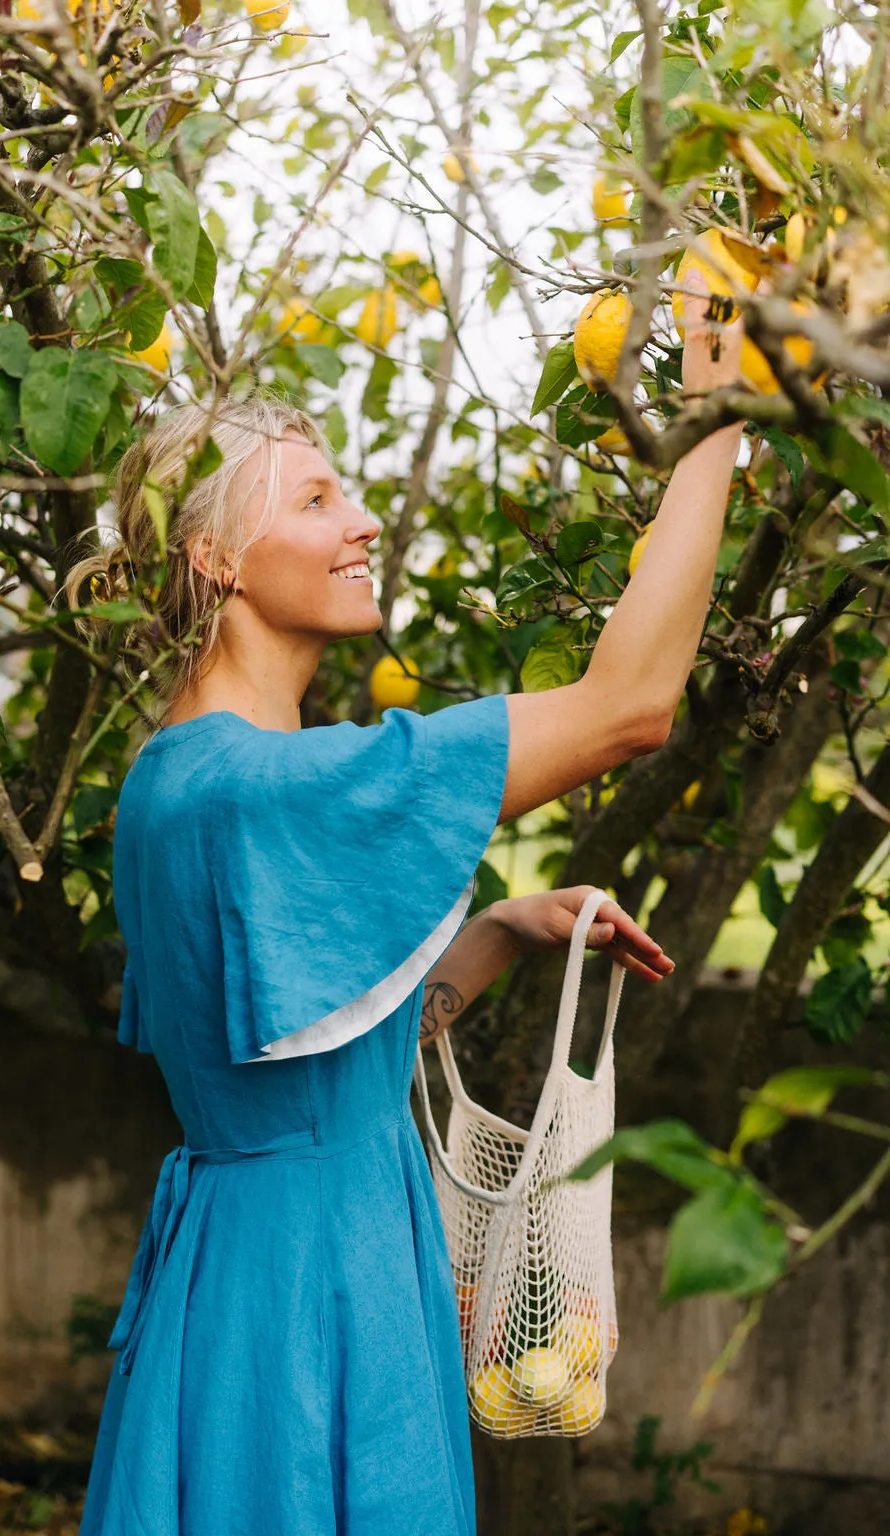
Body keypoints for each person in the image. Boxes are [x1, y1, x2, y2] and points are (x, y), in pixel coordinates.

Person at [66, 283, 742, 1536]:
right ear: (215, 555)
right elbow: (630, 704)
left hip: (252, 1262)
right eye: (316, 501)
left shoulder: (178, 777)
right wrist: (712, 435)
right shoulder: (273, 788)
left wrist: (501, 931)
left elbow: (306, 1062)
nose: (362, 520)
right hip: (320, 1288)